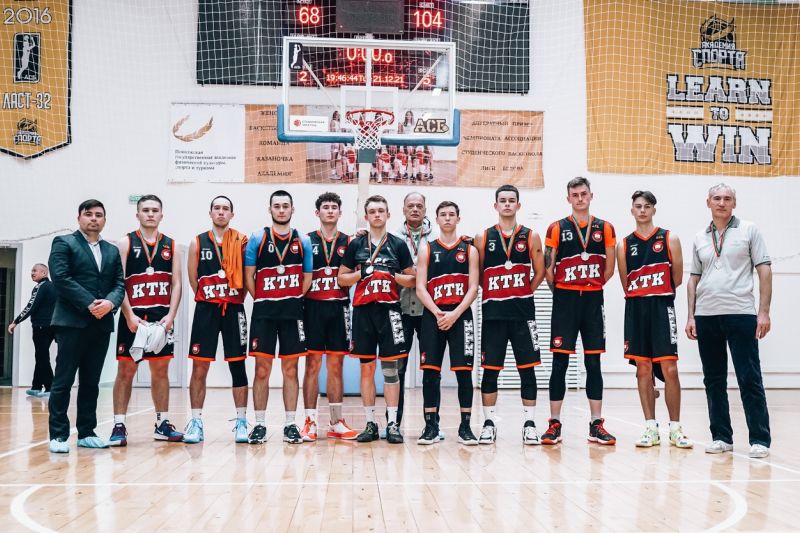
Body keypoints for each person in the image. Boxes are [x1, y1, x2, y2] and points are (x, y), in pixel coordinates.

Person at [685, 183, 772, 458]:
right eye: (716, 198)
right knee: (713, 379)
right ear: (708, 202)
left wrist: (764, 311)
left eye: (727, 198)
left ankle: (760, 439)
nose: (721, 203)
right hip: (706, 316)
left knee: (749, 377)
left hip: (741, 313)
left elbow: (764, 271)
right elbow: (693, 279)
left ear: (734, 203)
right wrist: (691, 315)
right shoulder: (699, 237)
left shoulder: (749, 230)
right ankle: (721, 437)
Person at [47, 199, 125, 453]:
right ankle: (58, 435)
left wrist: (110, 303)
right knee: (63, 380)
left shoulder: (111, 250)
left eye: (99, 215)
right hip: (71, 322)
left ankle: (87, 433)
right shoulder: (64, 243)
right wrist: (90, 303)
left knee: (91, 382)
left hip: (101, 324)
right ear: (79, 217)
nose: (94, 218)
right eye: (88, 214)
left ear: (104, 220)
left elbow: (119, 284)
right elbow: (61, 278)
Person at [543, 177, 617, 445]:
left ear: (591, 195)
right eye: (575, 195)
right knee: (559, 363)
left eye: (584, 194)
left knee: (593, 362)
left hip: (593, 300)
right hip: (565, 300)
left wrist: (592, 286)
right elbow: (548, 268)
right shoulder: (556, 228)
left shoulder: (605, 227)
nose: (580, 198)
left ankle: (596, 423)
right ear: (568, 199)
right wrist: (564, 291)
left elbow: (610, 268)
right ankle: (554, 423)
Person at [616, 191, 692, 449]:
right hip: (636, 310)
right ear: (632, 210)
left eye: (647, 206)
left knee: (670, 369)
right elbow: (626, 282)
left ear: (654, 210)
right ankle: (650, 427)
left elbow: (677, 278)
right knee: (643, 369)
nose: (642, 210)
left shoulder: (670, 238)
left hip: (662, 308)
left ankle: (676, 428)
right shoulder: (623, 245)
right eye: (638, 206)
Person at [338, 195, 416, 444]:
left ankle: (392, 424)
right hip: (363, 311)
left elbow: (412, 279)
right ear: (366, 216)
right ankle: (370, 423)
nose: (377, 215)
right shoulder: (356, 244)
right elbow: (342, 278)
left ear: (388, 214)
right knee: (367, 368)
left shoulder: (398, 244)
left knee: (391, 369)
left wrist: (392, 276)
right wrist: (361, 273)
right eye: (372, 211)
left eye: (381, 210)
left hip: (390, 311)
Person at [108, 195, 183, 446]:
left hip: (161, 318)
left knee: (161, 371)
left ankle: (162, 424)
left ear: (162, 215)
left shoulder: (172, 245)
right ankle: (119, 425)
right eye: (146, 210)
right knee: (126, 370)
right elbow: (118, 282)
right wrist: (128, 315)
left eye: (155, 210)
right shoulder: (125, 242)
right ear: (138, 214)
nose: (150, 214)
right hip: (134, 317)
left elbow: (176, 283)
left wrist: (171, 316)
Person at [474, 185, 546, 445]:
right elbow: (477, 273)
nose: (507, 204)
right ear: (495, 205)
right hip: (493, 315)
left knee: (528, 370)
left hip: (523, 315)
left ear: (518, 205)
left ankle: (529, 424)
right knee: (490, 371)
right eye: (502, 200)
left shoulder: (531, 236)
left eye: (511, 200)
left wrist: (523, 291)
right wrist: (495, 291)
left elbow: (540, 272)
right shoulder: (483, 237)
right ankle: (489, 423)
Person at [245, 190, 313, 445]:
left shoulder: (303, 240)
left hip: (292, 313)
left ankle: (290, 424)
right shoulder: (257, 238)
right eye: (277, 206)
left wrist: (291, 298)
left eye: (286, 206)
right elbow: (249, 276)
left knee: (290, 369)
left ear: (292, 209)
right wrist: (264, 298)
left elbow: (307, 278)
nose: (281, 210)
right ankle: (260, 424)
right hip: (264, 313)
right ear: (270, 209)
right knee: (262, 370)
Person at [183, 196, 250, 444]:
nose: (221, 212)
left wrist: (233, 297)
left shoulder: (242, 242)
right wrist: (210, 297)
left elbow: (247, 278)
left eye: (225, 209)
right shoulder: (197, 242)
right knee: (200, 366)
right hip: (206, 310)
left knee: (238, 366)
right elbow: (193, 279)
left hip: (233, 309)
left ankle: (241, 421)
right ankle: (196, 422)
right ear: (210, 213)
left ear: (232, 214)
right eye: (217, 208)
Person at [415, 201, 480, 445]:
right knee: (430, 372)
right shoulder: (427, 249)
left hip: (461, 316)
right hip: (434, 316)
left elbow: (473, 288)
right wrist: (438, 313)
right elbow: (420, 288)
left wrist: (454, 314)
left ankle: (465, 427)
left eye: (452, 214)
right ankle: (431, 426)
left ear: (458, 218)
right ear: (437, 219)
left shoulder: (470, 250)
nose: (448, 218)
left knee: (464, 372)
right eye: (443, 214)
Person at [303, 192, 359, 440]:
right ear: (317, 212)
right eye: (325, 207)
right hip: (312, 307)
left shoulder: (351, 242)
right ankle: (310, 421)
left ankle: (336, 422)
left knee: (336, 365)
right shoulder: (305, 240)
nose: (329, 211)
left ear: (340, 212)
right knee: (312, 364)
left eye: (334, 207)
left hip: (339, 308)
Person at [393, 192, 438, 437]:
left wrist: (409, 276)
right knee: (397, 369)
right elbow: (389, 273)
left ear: (425, 209)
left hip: (428, 311)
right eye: (410, 205)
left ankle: (432, 425)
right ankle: (394, 424)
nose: (414, 209)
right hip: (399, 311)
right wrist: (418, 277)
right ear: (403, 209)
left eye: (419, 205)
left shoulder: (437, 237)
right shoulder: (392, 238)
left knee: (431, 369)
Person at [8, 263, 56, 398]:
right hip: (52, 326)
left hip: (41, 326)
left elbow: (31, 306)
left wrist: (15, 321)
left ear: (44, 273)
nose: (32, 273)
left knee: (42, 356)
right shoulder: (53, 287)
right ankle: (36, 387)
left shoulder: (40, 286)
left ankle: (51, 388)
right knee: (41, 356)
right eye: (31, 271)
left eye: (35, 271)